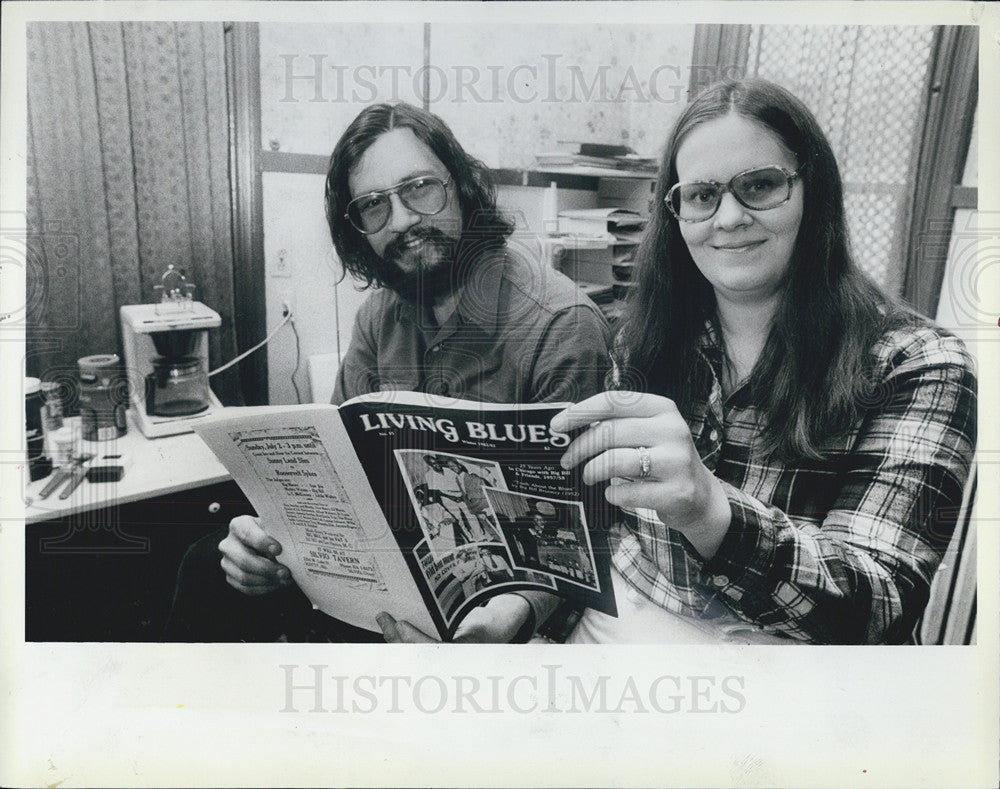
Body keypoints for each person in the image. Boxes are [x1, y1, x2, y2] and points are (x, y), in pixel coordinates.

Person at [547, 78, 977, 645]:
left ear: (812, 191)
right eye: (701, 195)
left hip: (791, 661)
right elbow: (608, 523)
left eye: (760, 185)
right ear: (674, 215)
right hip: (627, 618)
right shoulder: (643, 338)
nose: (728, 218)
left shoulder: (918, 363)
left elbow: (879, 605)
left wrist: (711, 511)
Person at [166, 102, 610, 643]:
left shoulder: (562, 326)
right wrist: (268, 538)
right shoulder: (380, 315)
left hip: (498, 598)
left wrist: (509, 617)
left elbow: (577, 537)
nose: (401, 220)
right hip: (386, 560)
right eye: (374, 205)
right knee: (204, 565)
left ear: (463, 186)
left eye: (420, 187)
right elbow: (330, 468)